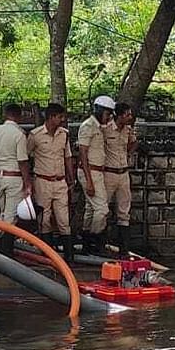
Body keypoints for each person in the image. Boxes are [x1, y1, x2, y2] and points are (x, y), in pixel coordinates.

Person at [27, 103, 74, 257]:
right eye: (59, 117)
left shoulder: (64, 134)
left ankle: (68, 256)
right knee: (44, 218)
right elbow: (26, 157)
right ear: (51, 117)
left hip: (60, 181)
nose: (62, 120)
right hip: (42, 180)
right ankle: (47, 254)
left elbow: (67, 157)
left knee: (63, 219)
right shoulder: (35, 135)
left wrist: (70, 178)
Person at [77, 95, 114, 254]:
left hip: (97, 171)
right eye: (107, 113)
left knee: (91, 209)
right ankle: (94, 240)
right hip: (90, 171)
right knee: (102, 209)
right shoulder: (88, 126)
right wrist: (89, 180)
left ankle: (87, 241)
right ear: (99, 111)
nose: (109, 117)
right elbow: (83, 154)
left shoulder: (99, 127)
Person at [0, 102, 31, 225]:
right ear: (19, 116)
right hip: (14, 178)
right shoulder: (19, 134)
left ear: (5, 115)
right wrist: (27, 184)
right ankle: (5, 243)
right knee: (10, 217)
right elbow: (22, 161)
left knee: (3, 212)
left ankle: (2, 240)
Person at [102, 102, 139, 253]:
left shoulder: (128, 130)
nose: (129, 117)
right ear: (119, 115)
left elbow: (134, 143)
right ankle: (101, 244)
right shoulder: (106, 129)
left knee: (124, 211)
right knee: (103, 208)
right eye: (127, 114)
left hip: (123, 172)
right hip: (109, 173)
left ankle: (124, 248)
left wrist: (128, 154)